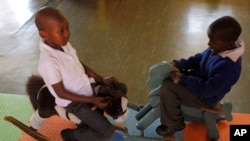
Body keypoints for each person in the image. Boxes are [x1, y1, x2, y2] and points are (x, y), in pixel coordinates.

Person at [31, 6, 116, 141]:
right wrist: (92, 100)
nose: (67, 34)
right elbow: (61, 93)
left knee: (116, 89)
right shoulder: (48, 62)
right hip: (74, 102)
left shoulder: (63, 44)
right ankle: (70, 136)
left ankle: (90, 125)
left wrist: (100, 78)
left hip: (84, 87)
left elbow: (79, 63)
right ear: (44, 34)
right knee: (108, 133)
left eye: (67, 28)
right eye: (61, 31)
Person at [156, 16, 244, 138]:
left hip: (205, 97)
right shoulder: (219, 48)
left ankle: (173, 124)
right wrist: (180, 64)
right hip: (199, 82)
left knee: (168, 87)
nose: (209, 44)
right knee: (170, 77)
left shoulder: (229, 67)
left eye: (212, 41)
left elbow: (209, 89)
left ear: (229, 44)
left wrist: (184, 79)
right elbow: (199, 58)